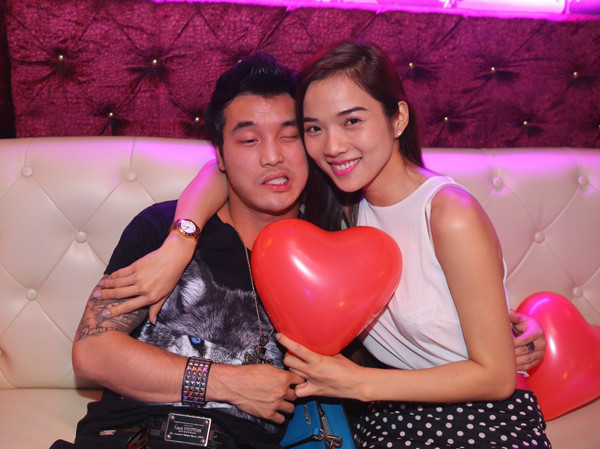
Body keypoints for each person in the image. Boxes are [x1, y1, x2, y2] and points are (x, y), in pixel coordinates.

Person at [96, 42, 549, 447]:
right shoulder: (341, 212)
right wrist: (181, 238)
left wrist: (361, 381)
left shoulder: (398, 219)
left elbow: (484, 364)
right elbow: (223, 172)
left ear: (398, 118)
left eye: (293, 134)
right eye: (314, 128)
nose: (331, 146)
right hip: (380, 421)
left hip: (461, 419)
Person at [51, 52, 308, 449]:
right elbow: (93, 352)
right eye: (249, 140)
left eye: (290, 136)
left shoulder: (327, 250)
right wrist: (225, 382)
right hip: (129, 438)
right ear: (220, 154)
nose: (273, 156)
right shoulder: (161, 227)